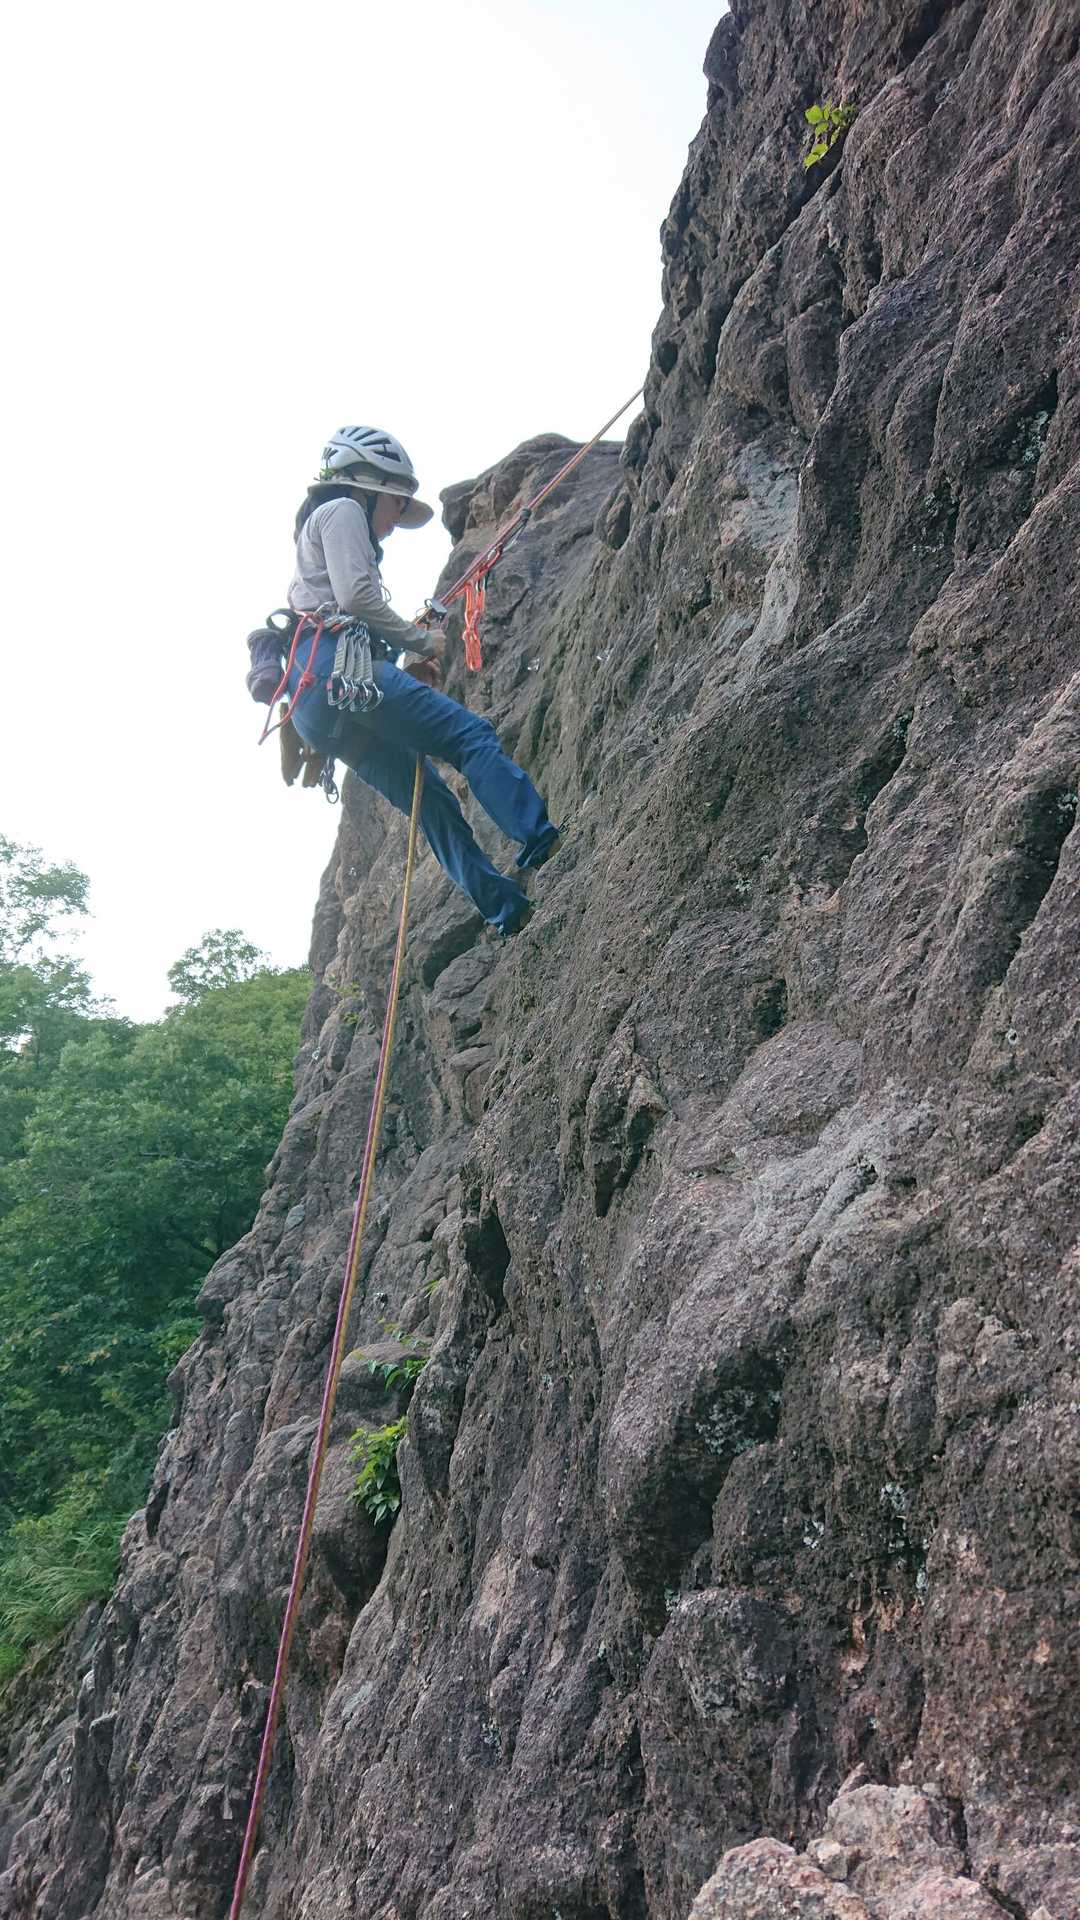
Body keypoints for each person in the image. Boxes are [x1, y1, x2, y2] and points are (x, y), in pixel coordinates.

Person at [282, 426, 559, 937]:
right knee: (469, 736)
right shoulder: (342, 509)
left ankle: (505, 909)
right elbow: (357, 597)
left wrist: (401, 665)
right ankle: (538, 836)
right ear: (369, 486)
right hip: (334, 670)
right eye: (395, 505)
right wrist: (421, 641)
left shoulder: (316, 537)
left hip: (318, 704)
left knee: (429, 801)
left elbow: (347, 613)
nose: (394, 521)